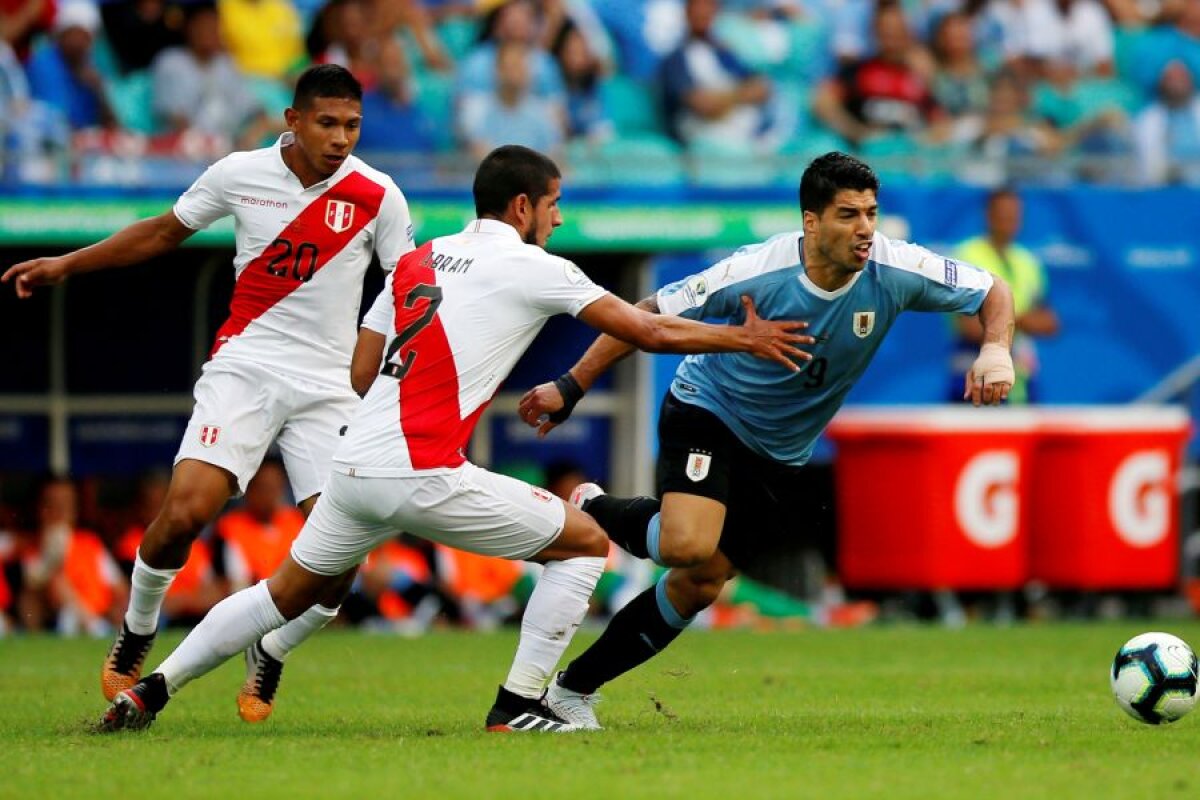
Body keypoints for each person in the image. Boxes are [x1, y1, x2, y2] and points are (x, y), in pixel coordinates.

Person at [95, 144, 812, 734]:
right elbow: (646, 328)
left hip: (355, 462)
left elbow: (362, 363)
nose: (559, 221)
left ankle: (150, 690)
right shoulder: (534, 266)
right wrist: (740, 338)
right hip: (421, 468)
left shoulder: (419, 258)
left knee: (281, 592)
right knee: (586, 545)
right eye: (555, 205)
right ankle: (521, 704)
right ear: (524, 206)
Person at [517, 152, 1016, 730]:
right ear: (811, 222)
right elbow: (646, 313)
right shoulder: (755, 271)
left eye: (871, 214)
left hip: (782, 454)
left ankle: (573, 690)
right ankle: (593, 507)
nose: (864, 230)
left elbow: (991, 290)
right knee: (685, 545)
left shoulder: (896, 268)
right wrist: (571, 384)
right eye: (848, 215)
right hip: (709, 410)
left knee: (699, 583)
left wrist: (995, 348)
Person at [3, 64, 416, 723]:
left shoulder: (378, 195)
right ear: (294, 120)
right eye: (328, 123)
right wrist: (67, 264)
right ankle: (139, 626)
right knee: (183, 514)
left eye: (352, 125)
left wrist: (389, 364)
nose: (341, 138)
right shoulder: (239, 173)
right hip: (246, 367)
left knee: (338, 565)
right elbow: (163, 232)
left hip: (330, 389)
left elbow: (408, 285)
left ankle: (273, 647)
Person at [950, 188, 1058, 404]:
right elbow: (969, 327)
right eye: (1003, 213)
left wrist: (997, 321)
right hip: (974, 379)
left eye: (1014, 214)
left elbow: (1049, 323)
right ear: (988, 214)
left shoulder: (1027, 262)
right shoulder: (966, 256)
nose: (1009, 220)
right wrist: (1022, 321)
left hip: (1021, 381)